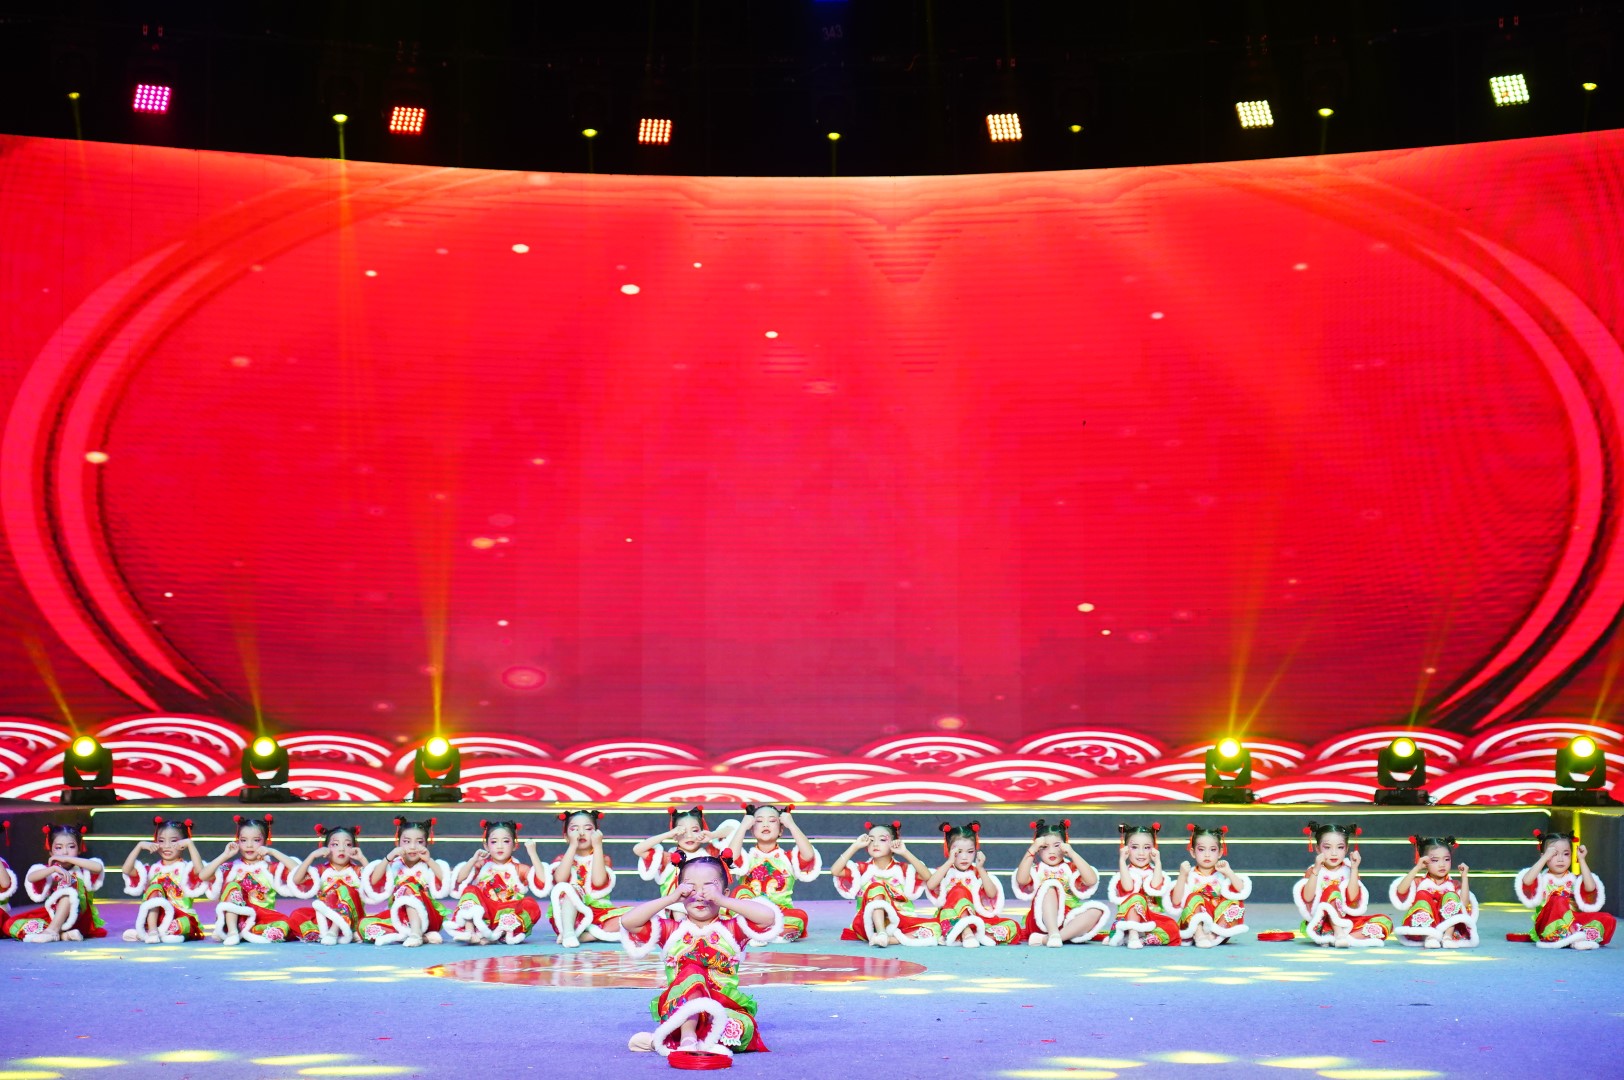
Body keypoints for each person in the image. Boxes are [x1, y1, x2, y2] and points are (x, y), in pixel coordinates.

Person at [620, 853, 782, 1059]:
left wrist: (723, 900)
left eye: (709, 886)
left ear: (724, 891)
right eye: (691, 887)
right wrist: (670, 899)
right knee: (692, 971)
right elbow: (629, 922)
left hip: (722, 1007)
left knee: (743, 1028)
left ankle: (667, 1041)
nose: (700, 894)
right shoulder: (671, 930)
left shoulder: (732, 930)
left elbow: (768, 918)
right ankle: (688, 1037)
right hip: (681, 1009)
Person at [831, 821, 940, 946]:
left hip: (898, 920)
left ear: (894, 843)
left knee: (936, 927)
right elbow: (835, 870)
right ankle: (881, 932)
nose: (875, 844)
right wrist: (855, 846)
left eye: (882, 840)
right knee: (877, 887)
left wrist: (905, 852)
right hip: (869, 923)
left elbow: (927, 876)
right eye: (871, 840)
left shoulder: (902, 869)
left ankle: (889, 939)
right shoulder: (862, 869)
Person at [533, 809, 631, 947]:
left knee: (634, 915)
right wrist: (573, 845)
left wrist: (598, 846)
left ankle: (587, 936)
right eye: (574, 829)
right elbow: (560, 881)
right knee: (571, 890)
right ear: (566, 836)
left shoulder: (603, 858)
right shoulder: (562, 859)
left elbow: (598, 882)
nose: (581, 833)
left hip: (598, 913)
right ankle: (569, 934)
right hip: (569, 916)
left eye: (588, 828)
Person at [724, 804, 821, 942]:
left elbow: (808, 855)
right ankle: (762, 932)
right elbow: (729, 858)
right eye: (759, 821)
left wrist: (791, 824)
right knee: (740, 891)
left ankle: (752, 932)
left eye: (772, 820)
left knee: (799, 917)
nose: (765, 824)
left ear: (781, 830)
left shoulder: (788, 858)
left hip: (778, 913)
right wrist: (742, 826)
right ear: (752, 830)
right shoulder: (746, 858)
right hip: (750, 911)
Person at [200, 815, 303, 944]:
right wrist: (225, 855)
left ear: (265, 842)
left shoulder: (270, 868)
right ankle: (233, 932)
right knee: (232, 885)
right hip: (236, 917)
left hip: (262, 917)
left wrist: (272, 852)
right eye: (243, 840)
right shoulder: (232, 868)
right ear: (237, 841)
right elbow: (203, 875)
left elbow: (298, 871)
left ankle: (249, 931)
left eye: (256, 840)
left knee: (284, 926)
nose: (249, 845)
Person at [1013, 818, 1110, 947]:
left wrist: (1072, 853)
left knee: (1097, 910)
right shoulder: (1036, 870)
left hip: (1068, 919)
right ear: (1038, 850)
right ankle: (1053, 933)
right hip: (1041, 919)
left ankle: (1050, 938)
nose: (1051, 851)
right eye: (1044, 847)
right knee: (1050, 887)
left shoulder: (1071, 869)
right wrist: (1032, 848)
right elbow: (1021, 879)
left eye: (1057, 845)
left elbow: (1091, 880)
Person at [1294, 821, 1393, 947]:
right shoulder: (1313, 870)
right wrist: (1316, 870)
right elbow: (1307, 898)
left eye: (1340, 847)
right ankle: (1338, 933)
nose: (1334, 853)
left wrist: (1354, 868)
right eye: (1327, 847)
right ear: (1318, 848)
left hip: (1348, 920)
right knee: (1332, 889)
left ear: (1346, 848)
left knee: (1385, 922)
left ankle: (1338, 938)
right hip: (1323, 920)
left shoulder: (1349, 869)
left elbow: (1353, 899)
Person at [445, 819, 542, 945]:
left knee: (531, 905)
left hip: (507, 913)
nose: (499, 846)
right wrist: (473, 860)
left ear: (514, 845)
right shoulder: (482, 865)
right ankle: (470, 932)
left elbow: (541, 882)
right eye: (494, 841)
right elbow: (459, 879)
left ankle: (500, 934)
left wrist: (533, 854)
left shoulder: (519, 869)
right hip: (485, 913)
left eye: (506, 841)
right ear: (486, 846)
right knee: (470, 890)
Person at [927, 821, 1024, 947]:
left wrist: (981, 868)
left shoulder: (976, 872)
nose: (964, 857)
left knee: (1012, 926)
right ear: (949, 850)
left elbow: (991, 893)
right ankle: (966, 933)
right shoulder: (946, 871)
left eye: (970, 851)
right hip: (950, 916)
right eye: (958, 851)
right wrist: (949, 861)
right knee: (959, 890)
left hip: (975, 916)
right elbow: (931, 885)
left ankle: (971, 934)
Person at [359, 817, 453, 947]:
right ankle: (424, 937)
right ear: (398, 842)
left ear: (426, 844)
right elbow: (373, 881)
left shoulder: (428, 864)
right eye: (406, 841)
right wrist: (389, 857)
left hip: (427, 915)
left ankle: (416, 933)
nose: (412, 847)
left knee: (408, 886)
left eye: (419, 842)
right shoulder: (394, 864)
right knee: (365, 927)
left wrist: (429, 860)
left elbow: (446, 882)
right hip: (400, 915)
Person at [2, 824, 106, 942]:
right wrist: (53, 869)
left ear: (79, 849)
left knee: (69, 889)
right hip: (54, 915)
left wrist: (68, 859)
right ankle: (63, 935)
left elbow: (98, 867)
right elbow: (31, 877)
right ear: (51, 851)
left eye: (71, 847)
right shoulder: (51, 869)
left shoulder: (82, 868)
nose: (65, 852)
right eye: (58, 848)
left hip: (79, 916)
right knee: (10, 923)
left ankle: (52, 931)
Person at [1515, 830, 1613, 949]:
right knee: (1558, 900)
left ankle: (1576, 938)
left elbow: (1590, 888)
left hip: (1573, 921)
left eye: (1566, 854)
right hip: (1548, 924)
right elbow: (1526, 881)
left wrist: (1582, 859)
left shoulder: (1574, 879)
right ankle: (1568, 937)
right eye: (1554, 854)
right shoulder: (1542, 879)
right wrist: (1544, 858)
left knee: (1608, 919)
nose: (1560, 859)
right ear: (1544, 856)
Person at [119, 817, 207, 942]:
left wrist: (190, 844)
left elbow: (200, 871)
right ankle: (153, 931)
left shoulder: (186, 868)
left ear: (183, 843)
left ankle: (147, 934)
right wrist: (139, 846)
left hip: (180, 915)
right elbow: (126, 870)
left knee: (185, 924)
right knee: (155, 887)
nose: (166, 846)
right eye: (161, 841)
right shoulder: (152, 870)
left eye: (173, 841)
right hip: (157, 916)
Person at [287, 826, 370, 945]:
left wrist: (362, 859)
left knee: (344, 889)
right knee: (298, 915)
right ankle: (334, 931)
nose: (341, 849)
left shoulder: (357, 871)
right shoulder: (321, 870)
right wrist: (312, 856)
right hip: (326, 918)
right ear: (325, 849)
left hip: (352, 918)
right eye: (335, 844)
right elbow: (297, 880)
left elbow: (373, 880)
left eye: (348, 845)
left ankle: (334, 931)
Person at [1170, 824, 1250, 947]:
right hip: (1193, 924)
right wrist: (1182, 875)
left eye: (1213, 850)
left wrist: (1229, 872)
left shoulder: (1222, 874)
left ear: (1220, 852)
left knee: (1234, 901)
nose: (1207, 855)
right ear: (1193, 852)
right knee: (1194, 897)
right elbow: (1176, 901)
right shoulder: (1190, 874)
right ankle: (1199, 934)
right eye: (1201, 849)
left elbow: (1242, 891)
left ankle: (1213, 936)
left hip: (1218, 925)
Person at [1107, 823, 1181, 948]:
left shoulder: (1155, 872)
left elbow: (1156, 887)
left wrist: (1158, 862)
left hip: (1151, 918)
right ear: (1126, 849)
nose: (1141, 853)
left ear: (1154, 849)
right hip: (1128, 918)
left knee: (1172, 928)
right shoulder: (1124, 873)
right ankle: (1133, 934)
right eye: (1134, 847)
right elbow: (1128, 888)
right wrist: (1122, 861)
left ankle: (1143, 940)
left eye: (1147, 848)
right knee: (1137, 897)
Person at [634, 807, 734, 896]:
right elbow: (638, 849)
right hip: (674, 909)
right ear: (674, 835)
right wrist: (668, 834)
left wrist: (712, 835)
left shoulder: (710, 854)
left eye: (695, 830)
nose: (689, 836)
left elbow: (732, 829)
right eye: (682, 831)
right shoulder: (668, 858)